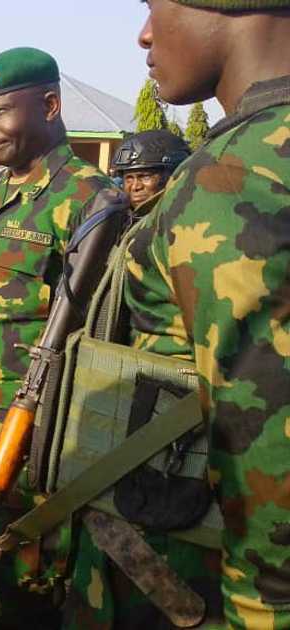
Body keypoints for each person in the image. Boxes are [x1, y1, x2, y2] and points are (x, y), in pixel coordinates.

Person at [61, 2, 290, 627]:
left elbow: (265, 445)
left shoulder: (232, 178)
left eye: (155, 6)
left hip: (189, 568)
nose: (143, 34)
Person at [0, 48, 120, 629]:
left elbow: (104, 332)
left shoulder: (92, 201)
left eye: (0, 112)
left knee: (26, 587)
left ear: (49, 105)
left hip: (35, 436)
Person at [110, 129, 189, 212]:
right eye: (129, 178)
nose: (135, 187)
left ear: (173, 176)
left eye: (145, 177)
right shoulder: (119, 219)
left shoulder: (188, 217)